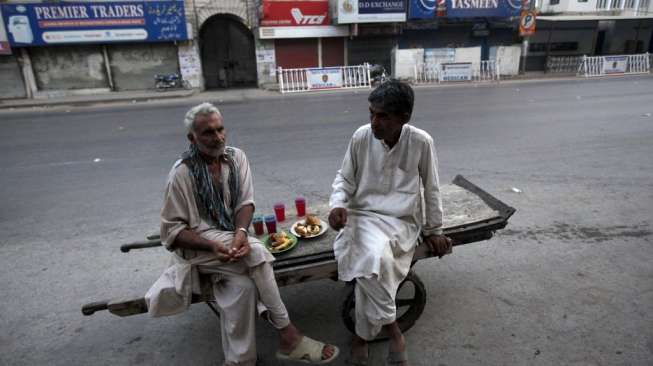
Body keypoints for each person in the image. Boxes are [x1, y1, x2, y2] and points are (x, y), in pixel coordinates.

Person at [145, 102, 339, 366]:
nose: (218, 137)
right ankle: (289, 335)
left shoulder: (236, 158)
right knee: (258, 250)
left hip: (230, 240)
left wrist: (239, 232)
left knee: (243, 288)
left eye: (220, 129)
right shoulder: (181, 173)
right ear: (192, 138)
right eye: (208, 133)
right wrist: (213, 247)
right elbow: (172, 232)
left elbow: (245, 204)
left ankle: (240, 362)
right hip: (197, 251)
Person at [328, 80, 452, 366]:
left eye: (383, 115)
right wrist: (337, 205)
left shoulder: (421, 141)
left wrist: (435, 230)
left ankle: (362, 337)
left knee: (374, 260)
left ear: (404, 117)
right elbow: (344, 179)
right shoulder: (361, 136)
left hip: (401, 221)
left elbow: (431, 188)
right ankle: (394, 331)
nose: (374, 121)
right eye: (371, 113)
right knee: (375, 260)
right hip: (361, 216)